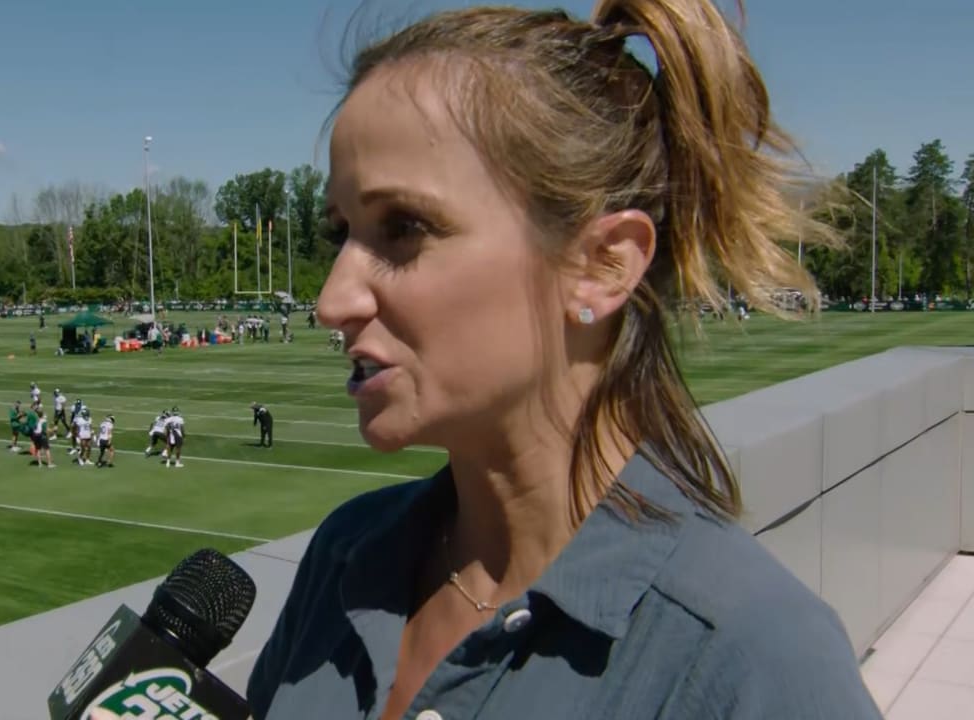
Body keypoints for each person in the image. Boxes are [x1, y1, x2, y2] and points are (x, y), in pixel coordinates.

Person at [246, 2, 879, 720]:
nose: (332, 300)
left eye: (404, 229)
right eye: (341, 232)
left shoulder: (751, 659)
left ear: (602, 266)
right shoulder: (345, 557)